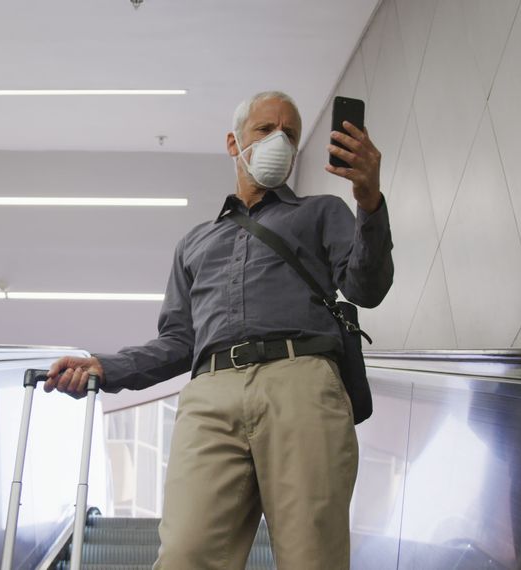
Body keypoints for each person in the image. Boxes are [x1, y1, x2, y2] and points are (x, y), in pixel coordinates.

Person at [45, 91, 394, 569]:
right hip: (209, 394)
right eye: (265, 130)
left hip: (300, 381)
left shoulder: (321, 212)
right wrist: (106, 367)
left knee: (312, 556)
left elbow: (366, 287)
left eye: (290, 134)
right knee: (186, 555)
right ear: (234, 143)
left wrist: (369, 200)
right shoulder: (194, 244)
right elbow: (178, 343)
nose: (280, 141)